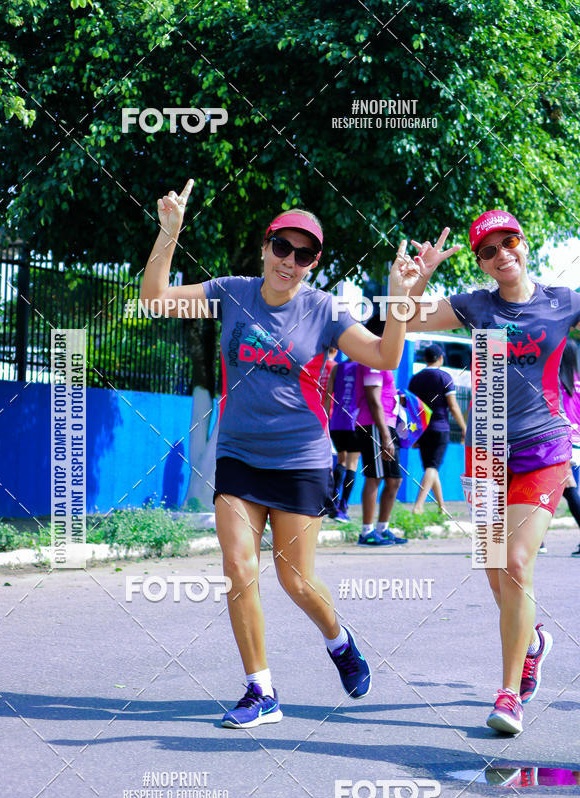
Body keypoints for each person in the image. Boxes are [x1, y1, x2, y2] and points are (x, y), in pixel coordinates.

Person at [141, 180, 420, 728]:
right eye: (282, 248)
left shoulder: (326, 312)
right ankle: (260, 690)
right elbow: (155, 299)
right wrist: (168, 233)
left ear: (314, 262)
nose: (290, 261)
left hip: (300, 460)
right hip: (239, 456)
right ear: (267, 247)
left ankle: (340, 641)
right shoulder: (232, 292)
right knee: (238, 567)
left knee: (295, 580)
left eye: (304, 253)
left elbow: (386, 357)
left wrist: (399, 296)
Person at [406, 212, 580, 735]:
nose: (502, 254)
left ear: (523, 244)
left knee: (518, 561)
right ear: (481, 262)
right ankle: (532, 643)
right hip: (484, 450)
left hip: (544, 447)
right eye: (489, 250)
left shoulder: (563, 302)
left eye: (509, 242)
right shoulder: (476, 307)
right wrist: (422, 277)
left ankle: (508, 694)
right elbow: (406, 320)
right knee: (495, 571)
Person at [354, 315, 408, 547]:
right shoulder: (373, 359)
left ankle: (382, 528)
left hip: (386, 425)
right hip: (375, 426)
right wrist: (385, 436)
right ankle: (366, 532)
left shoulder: (383, 359)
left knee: (394, 480)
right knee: (375, 478)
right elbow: (373, 399)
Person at [408, 342, 466, 514]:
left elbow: (411, 407)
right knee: (432, 467)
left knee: (430, 468)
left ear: (425, 359)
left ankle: (442, 507)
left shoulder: (416, 378)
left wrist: (412, 433)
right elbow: (454, 406)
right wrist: (464, 427)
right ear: (440, 358)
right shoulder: (445, 377)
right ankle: (418, 506)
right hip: (440, 428)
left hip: (421, 429)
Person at [325, 358, 360, 521]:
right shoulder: (363, 368)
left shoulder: (337, 368)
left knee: (341, 461)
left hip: (336, 423)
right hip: (354, 423)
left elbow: (327, 396)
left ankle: (333, 503)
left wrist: (325, 420)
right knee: (352, 464)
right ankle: (342, 507)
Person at [559, 338, 580, 555]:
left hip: (562, 441)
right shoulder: (578, 383)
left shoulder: (554, 381)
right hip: (578, 443)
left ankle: (537, 542)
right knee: (568, 490)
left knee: (568, 489)